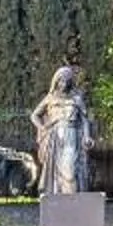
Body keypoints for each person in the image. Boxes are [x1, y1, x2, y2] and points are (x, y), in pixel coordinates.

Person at [32, 64, 92, 195]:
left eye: (66, 81)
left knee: (70, 170)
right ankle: (58, 200)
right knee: (55, 173)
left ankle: (72, 203)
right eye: (61, 80)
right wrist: (42, 128)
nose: (63, 84)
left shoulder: (76, 99)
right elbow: (34, 115)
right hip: (55, 138)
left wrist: (87, 136)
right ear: (56, 81)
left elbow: (84, 120)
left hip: (72, 136)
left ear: (70, 82)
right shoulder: (50, 98)